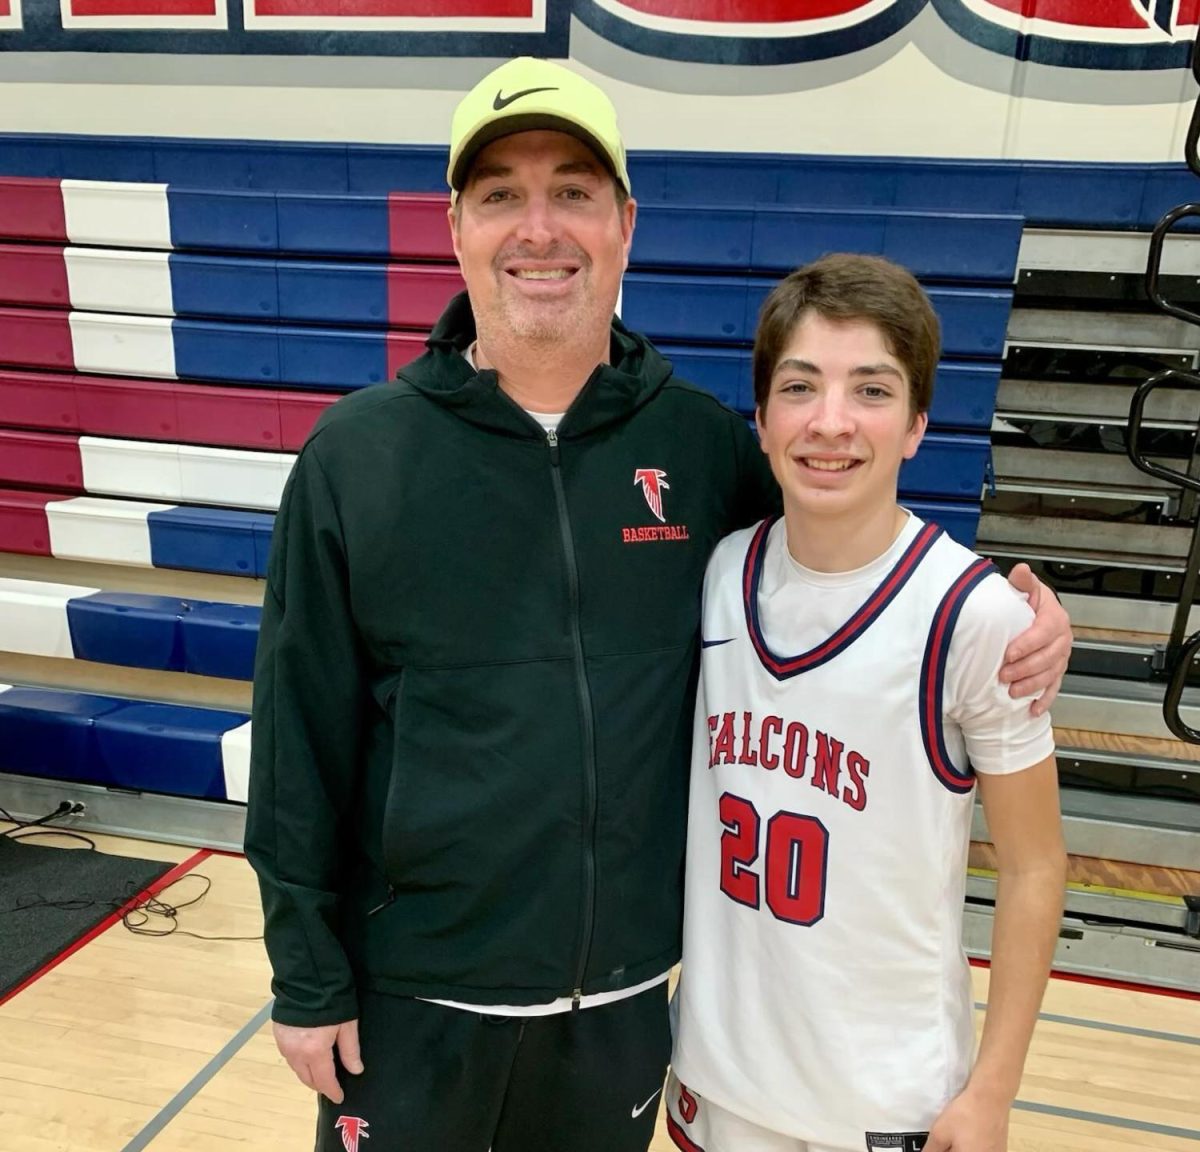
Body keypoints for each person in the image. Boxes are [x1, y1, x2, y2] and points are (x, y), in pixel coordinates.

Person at [244, 58, 1072, 1152]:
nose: (539, 228)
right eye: (501, 195)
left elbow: (843, 529)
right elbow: (298, 738)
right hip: (413, 1003)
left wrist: (1019, 615)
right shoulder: (356, 458)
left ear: (624, 223)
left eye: (573, 192)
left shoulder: (699, 447)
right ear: (457, 227)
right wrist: (307, 975)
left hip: (627, 1009)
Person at [666, 254, 1068, 1152]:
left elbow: (1036, 868)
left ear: (919, 422)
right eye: (801, 386)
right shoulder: (719, 572)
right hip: (716, 1085)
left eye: (872, 390)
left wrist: (993, 1093)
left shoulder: (977, 618)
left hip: (885, 1108)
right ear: (762, 416)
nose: (832, 422)